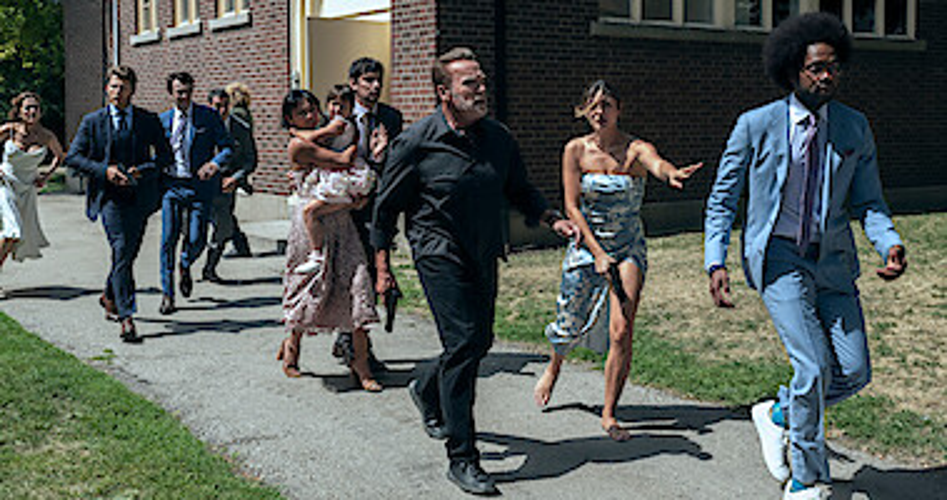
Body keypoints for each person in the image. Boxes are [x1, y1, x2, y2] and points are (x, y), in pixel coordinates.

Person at [704, 13, 906, 500]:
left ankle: (777, 414)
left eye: (833, 67)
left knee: (854, 371)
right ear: (793, 70)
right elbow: (722, 200)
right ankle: (806, 479)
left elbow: (869, 201)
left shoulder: (854, 127)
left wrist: (889, 242)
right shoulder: (755, 125)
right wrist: (716, 260)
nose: (826, 76)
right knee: (812, 368)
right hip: (780, 260)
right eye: (816, 68)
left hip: (833, 261)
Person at [372, 47, 578, 496]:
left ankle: (427, 387)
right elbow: (384, 209)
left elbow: (519, 188)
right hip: (437, 251)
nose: (481, 89)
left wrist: (550, 217)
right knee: (465, 342)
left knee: (478, 341)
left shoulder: (498, 138)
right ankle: (462, 457)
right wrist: (382, 267)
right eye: (471, 83)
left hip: (482, 250)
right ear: (444, 92)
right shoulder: (417, 142)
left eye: (482, 81)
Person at [534, 80, 702, 441]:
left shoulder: (635, 149)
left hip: (628, 248)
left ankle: (609, 414)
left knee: (622, 330)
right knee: (569, 320)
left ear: (619, 109)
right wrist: (596, 253)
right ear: (584, 110)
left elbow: (656, 163)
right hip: (587, 247)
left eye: (606, 105)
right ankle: (554, 366)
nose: (600, 112)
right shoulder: (575, 150)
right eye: (593, 106)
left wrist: (671, 173)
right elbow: (571, 207)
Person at [278, 89, 381, 392]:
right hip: (313, 227)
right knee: (310, 287)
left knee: (357, 285)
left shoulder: (327, 134)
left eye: (313, 109)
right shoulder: (299, 145)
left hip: (342, 224)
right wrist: (358, 146)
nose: (311, 116)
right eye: (302, 113)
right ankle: (292, 346)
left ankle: (361, 365)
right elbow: (341, 161)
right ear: (290, 118)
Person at [65, 66, 171, 342]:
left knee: (127, 255)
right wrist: (105, 171)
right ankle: (127, 317)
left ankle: (109, 294)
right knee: (122, 248)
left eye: (122, 87)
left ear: (132, 90)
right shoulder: (93, 121)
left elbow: (165, 157)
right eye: (113, 86)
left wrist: (143, 170)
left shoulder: (147, 120)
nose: (117, 92)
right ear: (106, 89)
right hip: (109, 197)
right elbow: (73, 157)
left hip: (139, 197)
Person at [332, 57, 405, 368]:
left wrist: (381, 158)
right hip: (344, 209)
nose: (375, 86)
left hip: (376, 210)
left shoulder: (391, 118)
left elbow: (398, 164)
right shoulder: (340, 116)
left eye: (378, 80)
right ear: (353, 84)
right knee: (351, 277)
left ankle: (350, 341)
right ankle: (353, 344)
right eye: (368, 81)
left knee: (373, 275)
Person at [158, 72, 233, 315]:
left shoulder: (207, 116)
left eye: (188, 91)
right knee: (168, 239)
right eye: (179, 92)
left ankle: (185, 262)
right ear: (171, 93)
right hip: (172, 187)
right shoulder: (162, 120)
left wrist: (214, 164)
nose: (184, 96)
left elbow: (227, 147)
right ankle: (168, 294)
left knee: (197, 239)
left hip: (200, 186)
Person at [289, 84, 374, 275]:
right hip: (328, 181)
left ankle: (317, 254)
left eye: (343, 106)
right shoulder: (323, 129)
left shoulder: (338, 124)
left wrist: (295, 131)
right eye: (334, 104)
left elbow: (338, 154)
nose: (337, 109)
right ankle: (317, 254)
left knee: (314, 211)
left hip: (341, 174)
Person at [0, 91, 66, 297]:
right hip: (6, 185)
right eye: (27, 107)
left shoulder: (47, 136)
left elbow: (59, 156)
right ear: (19, 111)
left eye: (35, 107)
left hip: (27, 191)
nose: (32, 111)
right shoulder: (9, 130)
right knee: (12, 231)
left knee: (14, 238)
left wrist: (46, 176)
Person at [201, 88, 258, 282]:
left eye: (226, 106)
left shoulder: (240, 129)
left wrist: (236, 177)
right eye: (217, 106)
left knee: (223, 228)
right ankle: (186, 263)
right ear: (209, 106)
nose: (222, 110)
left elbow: (250, 159)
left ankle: (210, 268)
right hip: (201, 183)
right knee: (194, 230)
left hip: (226, 184)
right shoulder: (199, 125)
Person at [223, 81, 255, 257]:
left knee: (225, 211)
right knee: (226, 210)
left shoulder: (236, 116)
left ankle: (239, 244)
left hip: (233, 169)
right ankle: (238, 243)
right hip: (237, 168)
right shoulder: (246, 112)